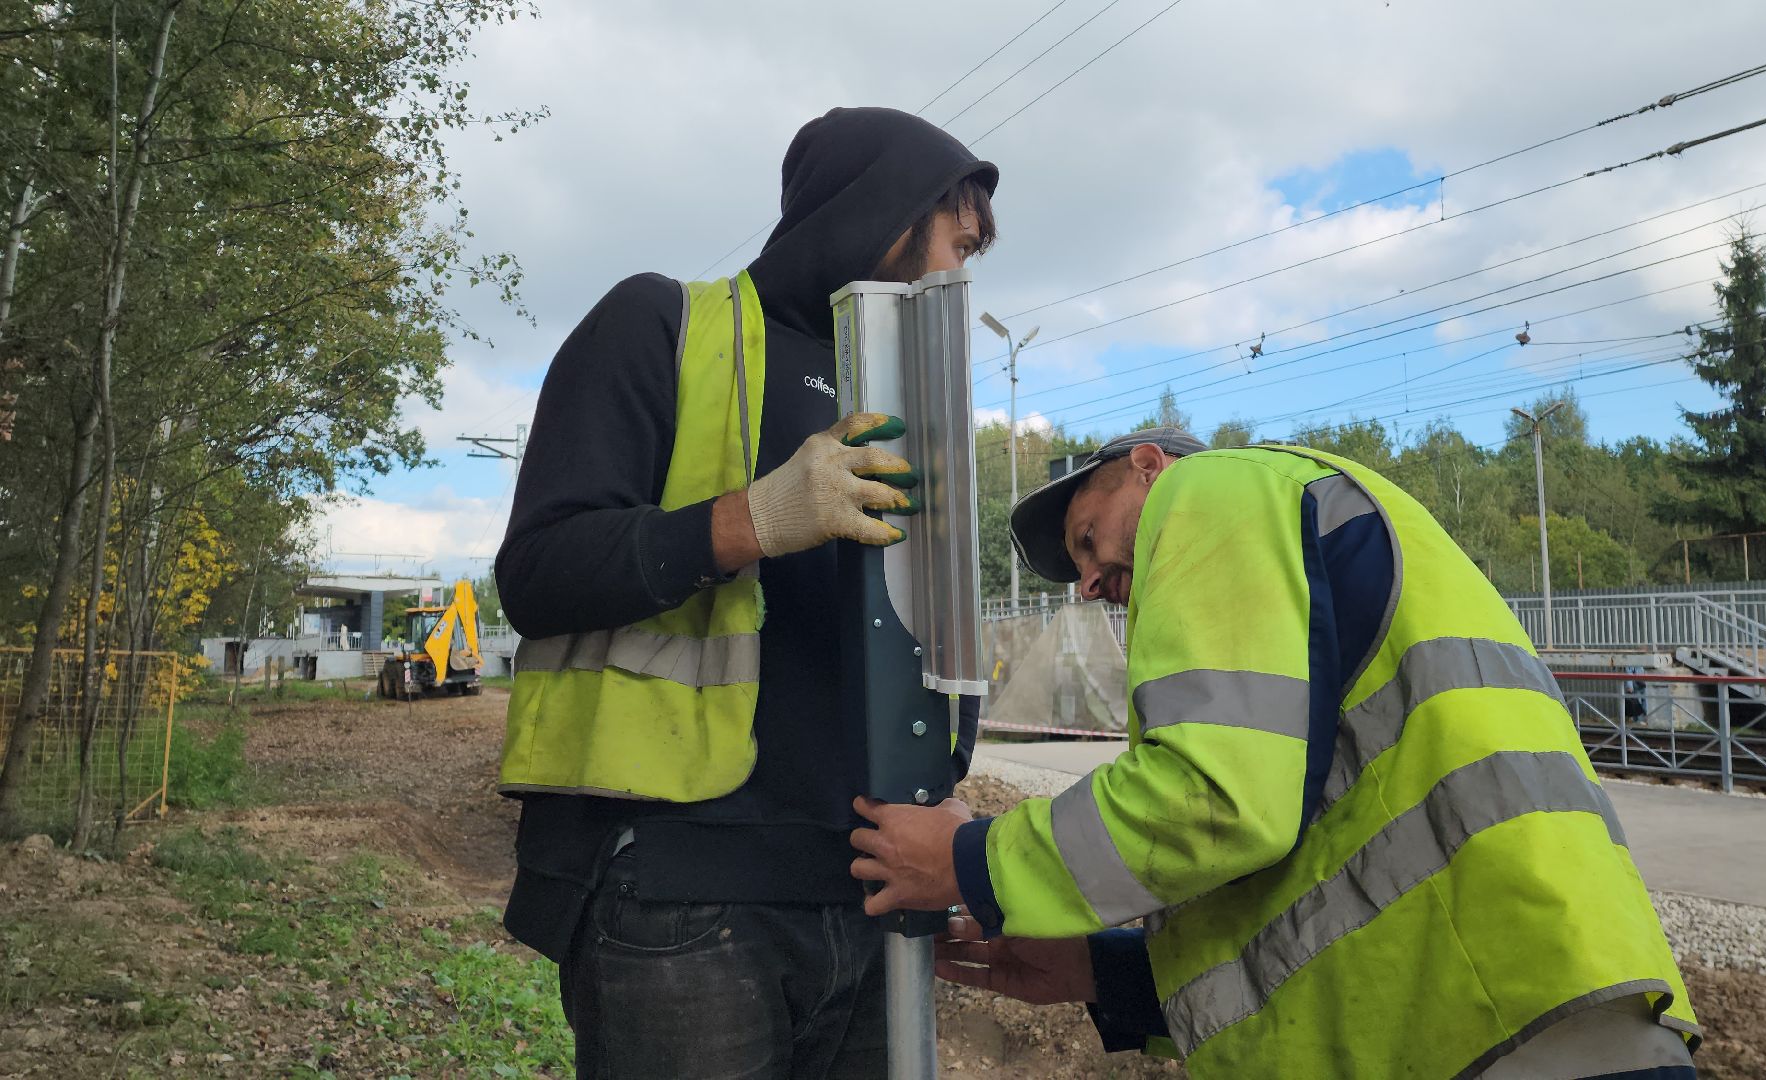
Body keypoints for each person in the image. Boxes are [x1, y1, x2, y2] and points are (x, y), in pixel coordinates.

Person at [852, 429, 1702, 1078]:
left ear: (1150, 467)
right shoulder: (1316, 524)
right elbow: (1321, 868)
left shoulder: (1209, 492)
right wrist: (1111, 975)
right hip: (1529, 1001)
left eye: (1086, 538)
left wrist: (972, 862)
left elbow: (1214, 801)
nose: (1089, 583)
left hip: (1487, 1023)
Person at [494, 107, 998, 1079]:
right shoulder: (662, 326)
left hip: (873, 885)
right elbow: (539, 572)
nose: (960, 278)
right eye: (957, 241)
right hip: (683, 886)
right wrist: (751, 522)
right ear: (880, 209)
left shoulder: (917, 401)